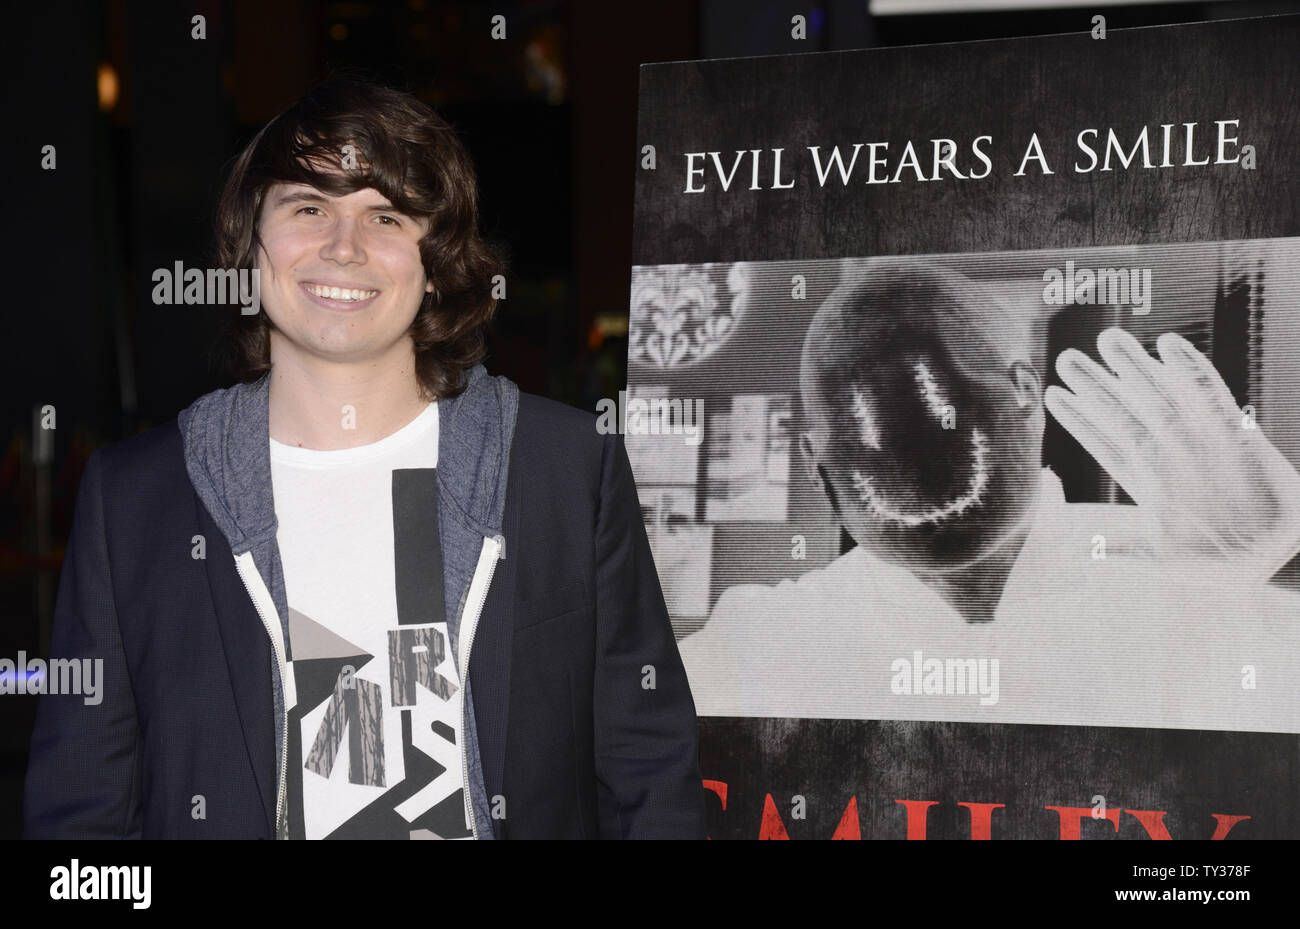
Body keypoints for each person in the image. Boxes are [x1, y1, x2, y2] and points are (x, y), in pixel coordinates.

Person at [24, 76, 705, 839]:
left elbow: (650, 774)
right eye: (309, 206)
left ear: (436, 258)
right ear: (252, 239)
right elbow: (79, 820)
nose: (342, 247)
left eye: (385, 215)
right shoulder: (137, 499)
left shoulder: (562, 468)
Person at [679, 259, 1300, 730]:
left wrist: (1283, 571)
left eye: (937, 409)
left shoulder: (1212, 571)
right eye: (867, 427)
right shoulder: (761, 642)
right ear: (818, 460)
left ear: (1024, 393)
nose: (911, 458)